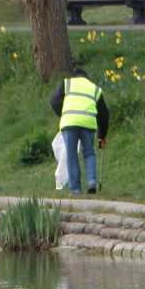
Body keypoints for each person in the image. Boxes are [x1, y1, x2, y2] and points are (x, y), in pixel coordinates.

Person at [49, 67, 110, 195]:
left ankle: (75, 189)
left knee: (71, 156)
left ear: (74, 76)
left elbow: (54, 101)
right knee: (89, 154)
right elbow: (104, 114)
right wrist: (102, 136)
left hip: (69, 123)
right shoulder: (95, 88)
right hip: (88, 124)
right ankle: (91, 183)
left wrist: (62, 114)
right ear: (86, 78)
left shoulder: (67, 83)